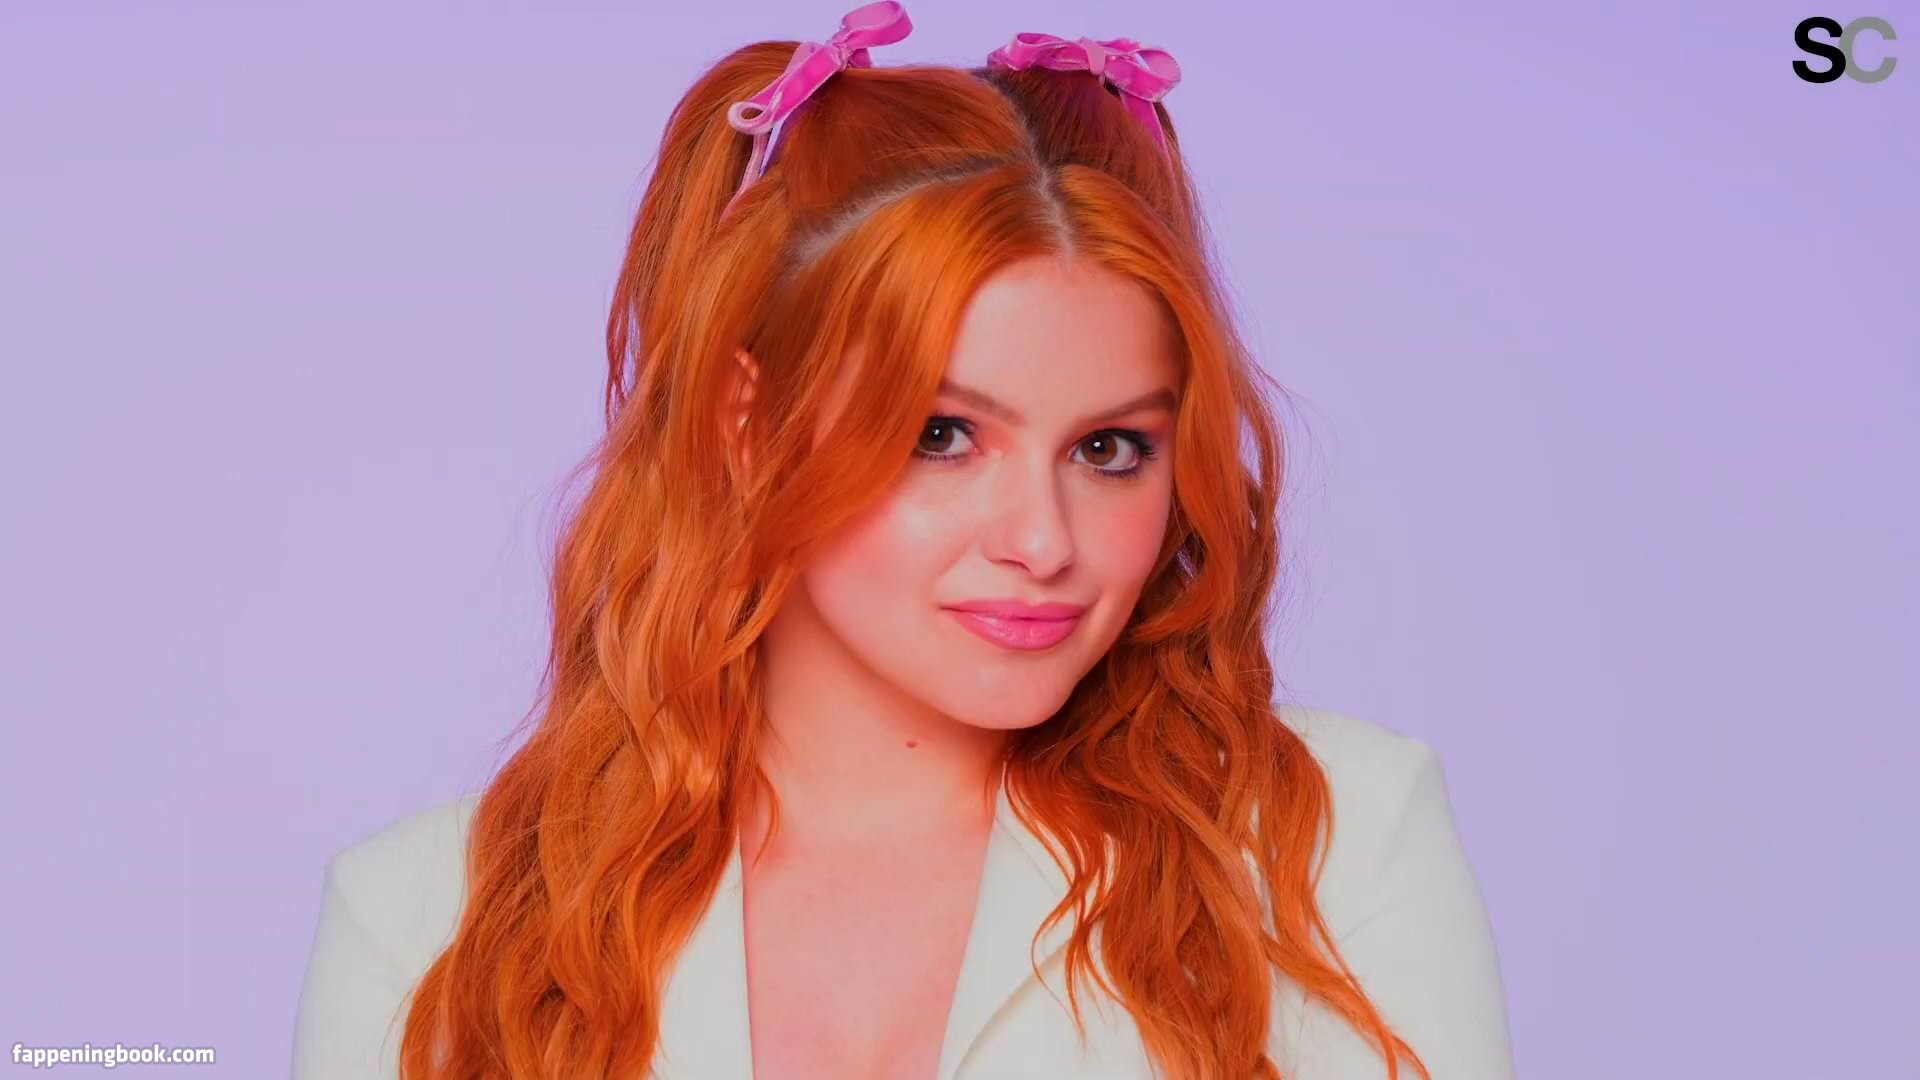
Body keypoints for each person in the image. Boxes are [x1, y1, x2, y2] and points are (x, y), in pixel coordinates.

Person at [291, 4, 1517, 1077]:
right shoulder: (427, 923)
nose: (1042, 541)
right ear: (746, 424)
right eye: (942, 435)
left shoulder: (1331, 847)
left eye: (1108, 449)